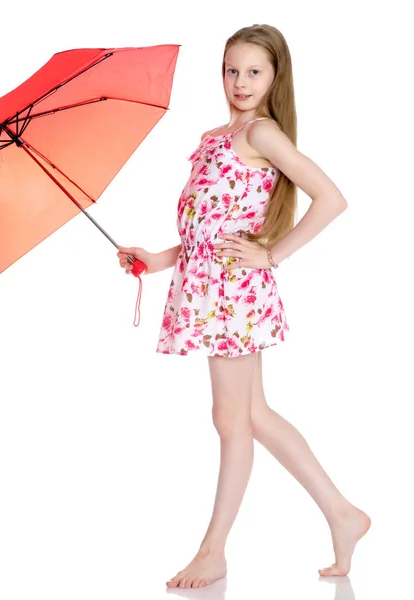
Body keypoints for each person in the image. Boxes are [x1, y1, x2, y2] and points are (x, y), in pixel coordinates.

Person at [116, 24, 371, 589]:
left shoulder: (263, 134)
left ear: (275, 76)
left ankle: (214, 551)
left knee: (234, 420)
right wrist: (158, 259)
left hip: (234, 297)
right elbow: (211, 231)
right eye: (232, 69)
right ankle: (342, 514)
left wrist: (273, 254)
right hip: (211, 291)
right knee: (247, 415)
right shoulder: (214, 136)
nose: (240, 81)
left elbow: (332, 199)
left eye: (254, 71)